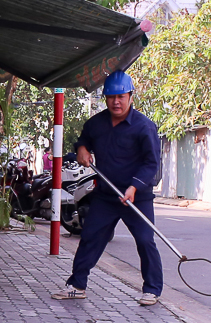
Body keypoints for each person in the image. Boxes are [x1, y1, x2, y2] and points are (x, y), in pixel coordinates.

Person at [51, 70, 163, 306]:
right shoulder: (96, 124)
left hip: (136, 197)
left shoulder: (145, 127)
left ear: (131, 96)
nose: (116, 101)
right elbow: (83, 141)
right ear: (105, 98)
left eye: (121, 96)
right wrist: (82, 147)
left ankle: (152, 289)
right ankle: (77, 285)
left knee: (144, 240)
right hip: (105, 195)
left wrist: (134, 187)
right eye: (111, 96)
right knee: (90, 237)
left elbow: (151, 163)